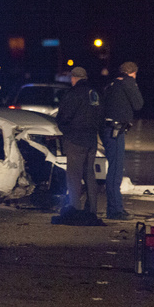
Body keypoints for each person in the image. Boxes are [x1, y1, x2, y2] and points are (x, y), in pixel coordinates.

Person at [53, 66, 103, 224]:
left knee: (74, 176)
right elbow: (100, 116)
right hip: (91, 140)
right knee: (90, 175)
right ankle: (92, 210)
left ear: (73, 78)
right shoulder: (94, 93)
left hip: (76, 140)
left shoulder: (73, 94)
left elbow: (64, 116)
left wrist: (66, 131)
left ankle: (74, 208)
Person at [101, 61, 144, 220]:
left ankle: (115, 207)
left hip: (107, 129)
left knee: (113, 169)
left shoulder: (112, 84)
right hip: (115, 131)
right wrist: (133, 85)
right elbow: (138, 104)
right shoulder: (128, 82)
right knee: (116, 171)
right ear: (133, 73)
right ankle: (115, 210)